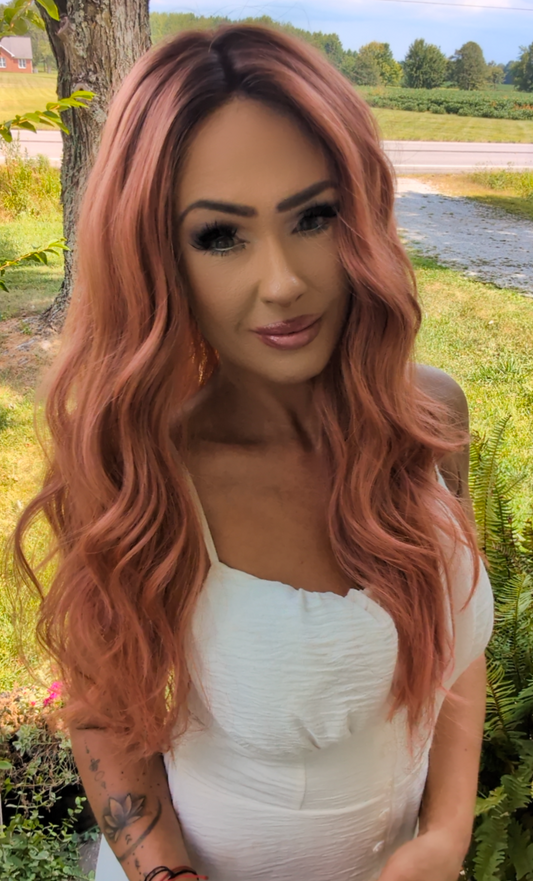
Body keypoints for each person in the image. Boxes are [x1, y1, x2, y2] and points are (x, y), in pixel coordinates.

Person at [12, 23, 494, 881]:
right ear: (156, 256)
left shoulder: (428, 416)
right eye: (220, 236)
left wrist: (444, 835)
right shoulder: (144, 470)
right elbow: (101, 712)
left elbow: (454, 650)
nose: (283, 281)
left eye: (313, 216)